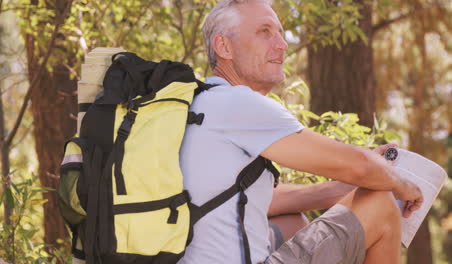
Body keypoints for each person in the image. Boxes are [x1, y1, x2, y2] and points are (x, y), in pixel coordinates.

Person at [178, 0, 423, 263]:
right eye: (264, 32)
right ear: (224, 46)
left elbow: (259, 200)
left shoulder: (199, 103)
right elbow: (361, 166)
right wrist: (401, 185)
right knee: (382, 203)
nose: (282, 45)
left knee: (291, 223)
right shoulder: (238, 103)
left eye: (280, 34)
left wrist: (346, 186)